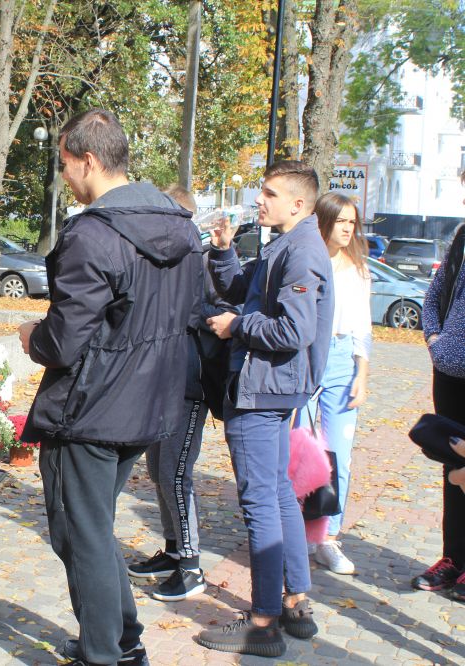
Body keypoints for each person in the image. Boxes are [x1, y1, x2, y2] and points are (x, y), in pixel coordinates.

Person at [19, 109, 202, 666]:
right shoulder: (181, 225)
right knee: (93, 530)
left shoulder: (92, 233)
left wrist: (32, 337)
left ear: (90, 160)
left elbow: (64, 339)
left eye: (66, 165)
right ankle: (121, 639)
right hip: (150, 403)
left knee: (80, 533)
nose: (65, 177)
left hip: (91, 408)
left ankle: (105, 653)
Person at [195, 160, 333, 658]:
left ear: (298, 203)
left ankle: (263, 621)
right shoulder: (286, 244)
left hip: (263, 390)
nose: (260, 200)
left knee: (260, 502)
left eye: (270, 193)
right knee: (276, 495)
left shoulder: (301, 253)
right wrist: (224, 249)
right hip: (270, 389)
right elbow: (242, 290)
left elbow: (294, 333)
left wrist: (236, 328)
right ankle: (295, 602)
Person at [127, 185, 224, 602]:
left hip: (189, 386)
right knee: (158, 471)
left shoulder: (197, 263)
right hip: (161, 383)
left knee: (175, 473)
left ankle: (190, 564)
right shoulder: (168, 259)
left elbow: (210, 312)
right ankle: (171, 550)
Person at [295, 192, 371, 574]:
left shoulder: (357, 267)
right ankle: (301, 531)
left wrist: (362, 372)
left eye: (352, 222)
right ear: (324, 221)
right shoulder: (308, 260)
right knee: (304, 450)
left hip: (341, 358)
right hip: (307, 356)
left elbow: (363, 324)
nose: (347, 229)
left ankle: (329, 537)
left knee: (339, 450)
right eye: (341, 221)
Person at [414, 173, 465, 600]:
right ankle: (454, 558)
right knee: (454, 469)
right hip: (449, 375)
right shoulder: (461, 236)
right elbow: (434, 296)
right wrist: (435, 340)